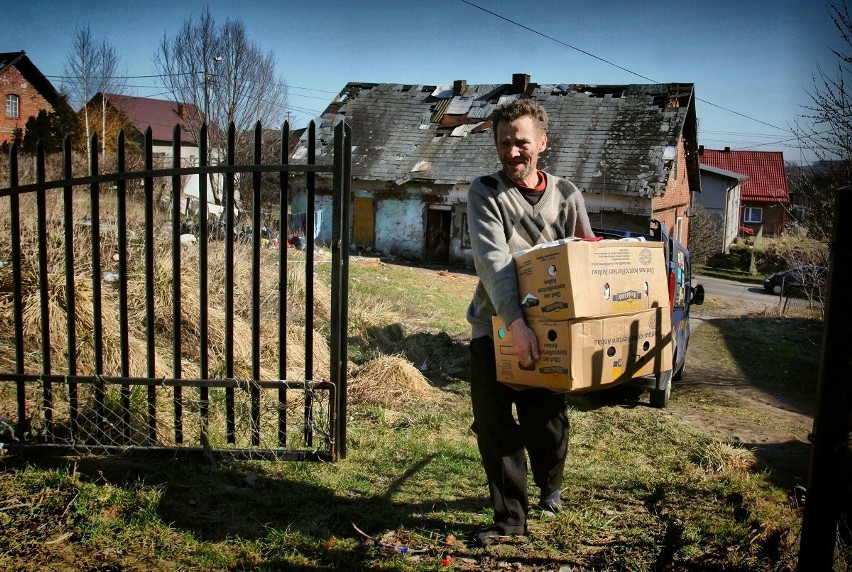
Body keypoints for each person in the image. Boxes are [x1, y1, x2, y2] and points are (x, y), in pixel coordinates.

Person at [465, 98, 594, 546]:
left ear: (542, 142)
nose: (513, 152)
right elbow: (495, 264)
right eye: (504, 143)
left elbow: (585, 258)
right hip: (494, 327)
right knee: (495, 426)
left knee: (547, 422)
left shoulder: (568, 194)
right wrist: (515, 326)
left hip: (551, 332)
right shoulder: (485, 192)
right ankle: (510, 521)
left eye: (521, 142)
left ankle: (551, 484)